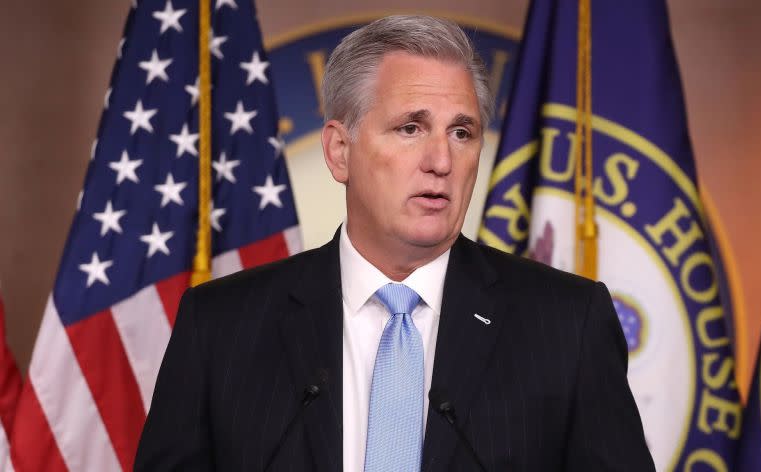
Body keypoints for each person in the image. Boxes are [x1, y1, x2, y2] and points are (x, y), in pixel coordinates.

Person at [135, 15, 654, 471]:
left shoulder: (567, 324)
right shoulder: (221, 327)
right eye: (410, 128)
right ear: (340, 151)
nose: (441, 161)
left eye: (462, 133)